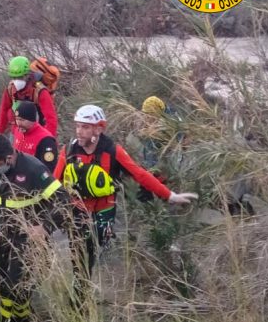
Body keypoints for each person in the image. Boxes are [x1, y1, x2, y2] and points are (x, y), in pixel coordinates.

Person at [53, 105, 198, 305]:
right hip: (78, 210)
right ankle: (79, 302)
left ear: (98, 129)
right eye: (78, 126)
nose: (79, 131)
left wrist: (170, 195)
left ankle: (84, 293)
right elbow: (54, 183)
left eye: (85, 127)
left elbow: (139, 174)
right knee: (79, 259)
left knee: (92, 253)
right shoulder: (68, 150)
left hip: (104, 211)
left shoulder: (113, 151)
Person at [0, 135, 70, 322]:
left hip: (29, 237)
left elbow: (62, 199)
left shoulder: (33, 169)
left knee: (18, 283)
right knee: (3, 281)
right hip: (8, 234)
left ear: (10, 157)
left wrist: (45, 226)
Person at [0, 56, 59, 137]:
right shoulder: (10, 89)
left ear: (27, 75)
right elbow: (3, 111)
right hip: (17, 133)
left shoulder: (39, 91)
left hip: (37, 134)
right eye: (14, 78)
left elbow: (51, 119)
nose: (16, 80)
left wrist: (48, 140)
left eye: (20, 77)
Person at [12, 101, 59, 174]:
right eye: (17, 119)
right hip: (16, 180)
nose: (18, 123)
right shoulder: (17, 131)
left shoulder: (46, 140)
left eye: (22, 120)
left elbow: (48, 170)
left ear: (32, 120)